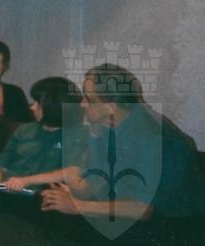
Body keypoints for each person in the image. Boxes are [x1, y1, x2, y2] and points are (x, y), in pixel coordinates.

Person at [38, 64, 205, 221]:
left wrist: (77, 206)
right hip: (129, 211)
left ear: (111, 107)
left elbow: (144, 208)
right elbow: (98, 181)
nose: (82, 104)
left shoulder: (155, 138)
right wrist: (72, 192)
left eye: (89, 99)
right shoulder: (109, 125)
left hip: (175, 224)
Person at [0, 77, 86, 215]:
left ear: (53, 107)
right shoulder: (25, 130)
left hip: (38, 198)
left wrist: (27, 181)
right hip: (6, 192)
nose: (32, 107)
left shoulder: (77, 134)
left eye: (37, 103)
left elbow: (73, 171)